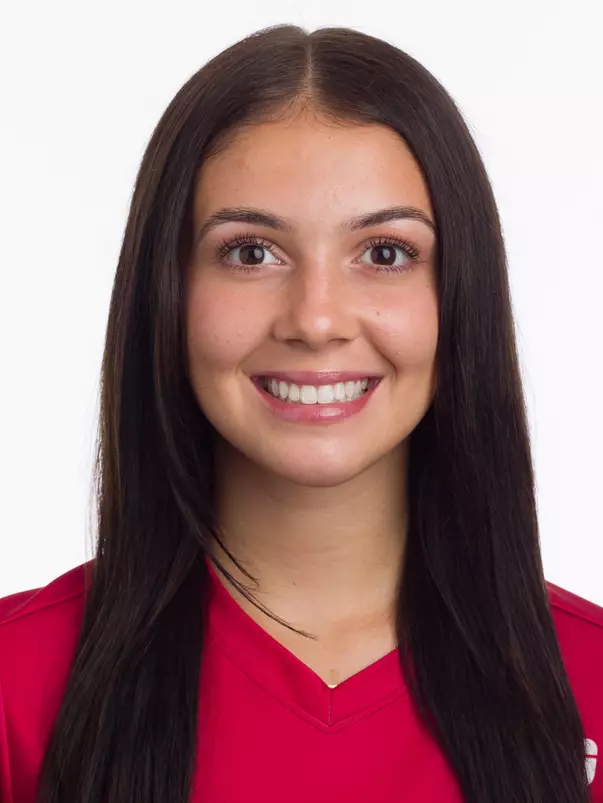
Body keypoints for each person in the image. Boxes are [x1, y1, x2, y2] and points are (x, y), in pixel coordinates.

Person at [0, 23, 601, 803]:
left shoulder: (587, 684)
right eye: (250, 252)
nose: (315, 319)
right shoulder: (17, 686)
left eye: (384, 253)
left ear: (458, 298)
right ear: (166, 293)